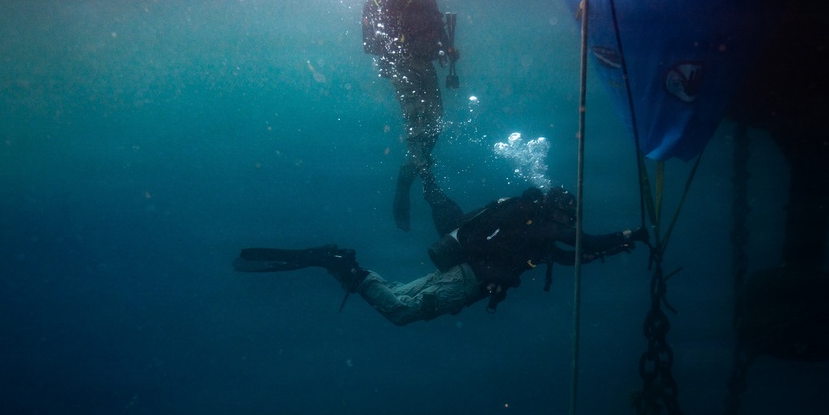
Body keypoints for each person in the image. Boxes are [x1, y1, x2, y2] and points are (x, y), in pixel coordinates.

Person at [234, 171, 648, 326]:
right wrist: (630, 235)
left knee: (397, 293)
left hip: (460, 271)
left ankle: (345, 267)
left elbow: (564, 257)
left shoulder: (531, 231)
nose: (570, 224)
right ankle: (345, 267)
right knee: (401, 313)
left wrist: (606, 253)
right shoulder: (544, 226)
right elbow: (584, 242)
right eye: (569, 217)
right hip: (467, 282)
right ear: (560, 211)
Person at [362, 0, 459, 232]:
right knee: (416, 121)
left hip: (425, 64)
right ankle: (428, 185)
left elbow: (438, 25)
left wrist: (447, 48)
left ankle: (408, 176)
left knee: (435, 124)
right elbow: (370, 42)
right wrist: (394, 48)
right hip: (401, 65)